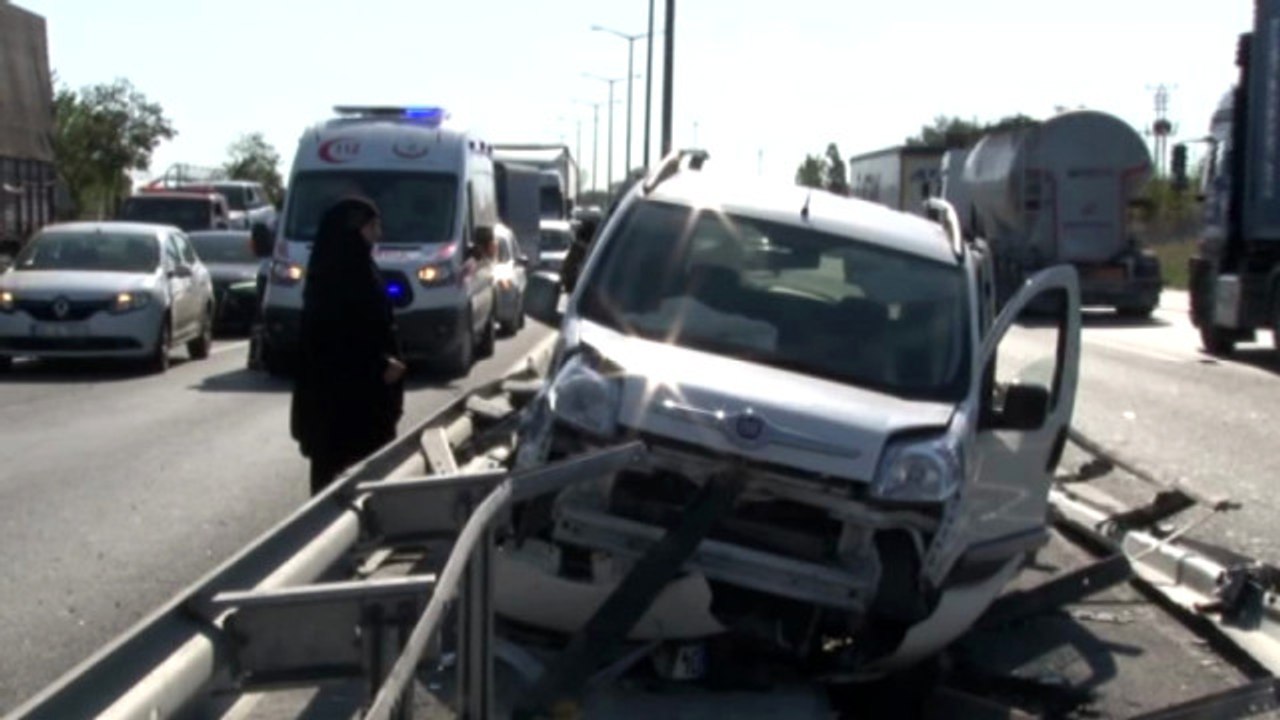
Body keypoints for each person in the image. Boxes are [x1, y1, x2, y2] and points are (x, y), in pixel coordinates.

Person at [290, 197, 407, 495]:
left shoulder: (358, 267)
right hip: (343, 403)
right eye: (372, 226)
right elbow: (334, 340)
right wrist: (379, 365)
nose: (378, 234)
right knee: (339, 485)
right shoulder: (335, 278)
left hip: (363, 401)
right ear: (353, 230)